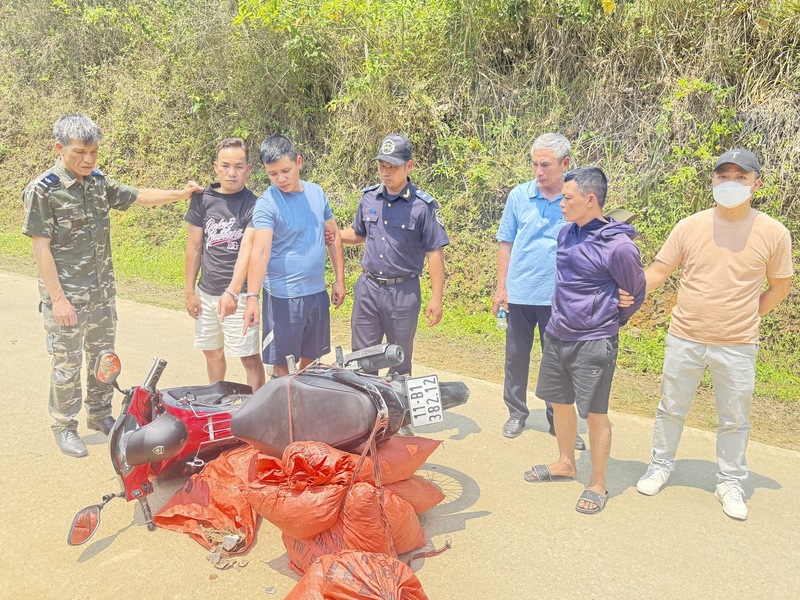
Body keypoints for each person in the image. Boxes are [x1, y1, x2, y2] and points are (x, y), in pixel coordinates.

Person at [22, 114, 203, 458]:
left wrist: (181, 193)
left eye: (93, 152)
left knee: (103, 358)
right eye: (80, 152)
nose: (88, 159)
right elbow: (40, 249)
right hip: (68, 296)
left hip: (102, 294)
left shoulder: (97, 182)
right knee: (67, 364)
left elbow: (138, 197)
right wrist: (58, 300)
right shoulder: (43, 190)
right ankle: (64, 425)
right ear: (59, 148)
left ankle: (99, 413)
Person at [634, 149, 792, 521]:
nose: (730, 182)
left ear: (756, 183)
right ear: (712, 181)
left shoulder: (773, 232)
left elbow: (780, 286)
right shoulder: (689, 226)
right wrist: (624, 287)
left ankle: (730, 482)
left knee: (734, 418)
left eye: (741, 176)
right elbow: (658, 272)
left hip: (737, 344)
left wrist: (747, 316)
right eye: (723, 175)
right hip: (685, 337)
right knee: (670, 408)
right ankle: (660, 466)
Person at [523, 166, 645, 515]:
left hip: (593, 341)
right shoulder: (566, 234)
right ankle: (565, 463)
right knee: (560, 403)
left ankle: (598, 482)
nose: (561, 203)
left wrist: (608, 316)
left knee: (594, 413)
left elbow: (635, 293)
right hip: (557, 333)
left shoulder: (619, 246)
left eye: (567, 197)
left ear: (590, 200)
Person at [493, 133, 586, 450]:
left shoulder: (576, 198)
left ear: (565, 163)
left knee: (558, 363)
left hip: (559, 297)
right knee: (515, 358)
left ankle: (559, 422)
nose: (538, 171)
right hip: (519, 293)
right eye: (534, 164)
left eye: (545, 165)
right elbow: (506, 242)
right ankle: (516, 413)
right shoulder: (519, 196)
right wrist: (501, 288)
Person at [340, 134, 449, 375]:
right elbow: (359, 233)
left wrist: (436, 298)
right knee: (361, 360)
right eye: (382, 166)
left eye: (392, 167)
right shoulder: (369, 197)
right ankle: (366, 402)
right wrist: (334, 235)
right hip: (368, 289)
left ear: (409, 166)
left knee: (398, 362)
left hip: (403, 293)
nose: (385, 172)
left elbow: (434, 252)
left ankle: (395, 402)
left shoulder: (423, 206)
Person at [243, 135, 345, 377]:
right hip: (283, 297)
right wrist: (252, 297)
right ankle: (283, 402)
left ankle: (303, 401)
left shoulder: (316, 193)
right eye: (273, 174)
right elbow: (260, 251)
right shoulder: (267, 203)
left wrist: (339, 280)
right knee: (282, 368)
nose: (281, 179)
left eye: (286, 170)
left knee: (312, 363)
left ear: (299, 162)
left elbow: (333, 235)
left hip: (316, 294)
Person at [184, 138, 265, 392]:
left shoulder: (255, 204)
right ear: (216, 167)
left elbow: (248, 250)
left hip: (239, 295)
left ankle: (256, 409)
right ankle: (216, 402)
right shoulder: (201, 199)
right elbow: (194, 246)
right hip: (206, 293)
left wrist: (233, 292)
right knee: (212, 353)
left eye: (239, 167)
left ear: (248, 169)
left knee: (249, 358)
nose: (232, 172)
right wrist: (190, 292)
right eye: (226, 166)